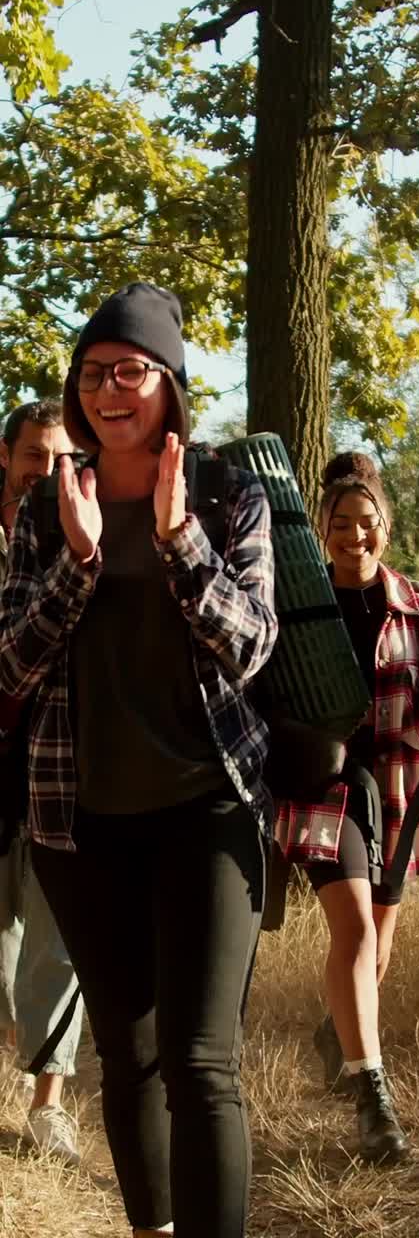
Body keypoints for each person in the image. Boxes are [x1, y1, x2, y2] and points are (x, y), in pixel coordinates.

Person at [0, 283, 277, 1238]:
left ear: (170, 382)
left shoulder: (226, 491)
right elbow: (9, 660)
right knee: (129, 1051)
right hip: (79, 817)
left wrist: (176, 539)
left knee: (204, 1059)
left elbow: (250, 646)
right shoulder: (46, 504)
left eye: (131, 371)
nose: (109, 389)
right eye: (92, 373)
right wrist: (77, 564)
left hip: (207, 805)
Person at [275, 452, 419, 1164]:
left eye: (367, 523)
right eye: (341, 523)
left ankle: (340, 1033)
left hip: (399, 786)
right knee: (355, 930)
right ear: (322, 528)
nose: (354, 535)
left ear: (385, 526)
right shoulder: (299, 607)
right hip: (329, 786)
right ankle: (373, 1099)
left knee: (377, 949)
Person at [0, 400, 84, 1164]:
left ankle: (48, 1101)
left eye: (60, 457)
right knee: (3, 947)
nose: (48, 471)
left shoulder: (77, 528)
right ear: (6, 456)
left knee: (57, 938)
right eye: (34, 455)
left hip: (57, 765)